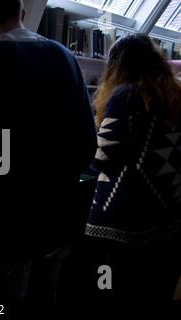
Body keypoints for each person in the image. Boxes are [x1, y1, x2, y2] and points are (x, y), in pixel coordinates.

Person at [0, 0, 97, 300]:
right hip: (58, 226)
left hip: (6, 233)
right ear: (21, 13)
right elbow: (88, 145)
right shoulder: (65, 57)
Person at [85, 33, 181, 300]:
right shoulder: (175, 95)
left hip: (125, 223)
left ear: (118, 66)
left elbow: (103, 157)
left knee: (111, 288)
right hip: (168, 219)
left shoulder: (125, 95)